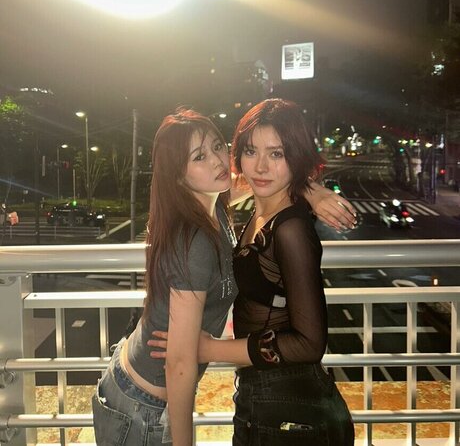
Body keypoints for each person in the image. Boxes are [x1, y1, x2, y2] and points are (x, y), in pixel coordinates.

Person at [93, 107, 356, 446]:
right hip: (145, 404)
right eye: (199, 157)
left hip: (145, 384)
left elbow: (262, 177)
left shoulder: (212, 201)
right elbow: (180, 363)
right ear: (178, 175)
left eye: (218, 146)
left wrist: (311, 190)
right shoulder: (194, 240)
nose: (218, 161)